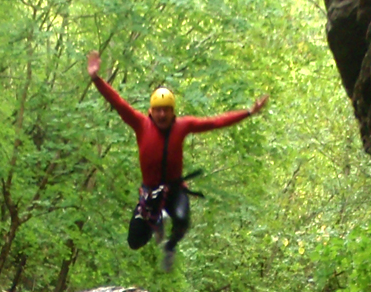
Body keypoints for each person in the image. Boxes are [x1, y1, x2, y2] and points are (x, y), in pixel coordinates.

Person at [87, 51, 268, 271]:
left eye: (166, 110)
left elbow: (216, 122)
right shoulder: (140, 124)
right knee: (134, 241)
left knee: (182, 219)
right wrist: (96, 79)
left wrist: (248, 112)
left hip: (175, 190)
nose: (162, 115)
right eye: (158, 110)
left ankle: (170, 245)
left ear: (173, 112)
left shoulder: (183, 126)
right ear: (151, 111)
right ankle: (159, 218)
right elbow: (117, 102)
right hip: (150, 192)